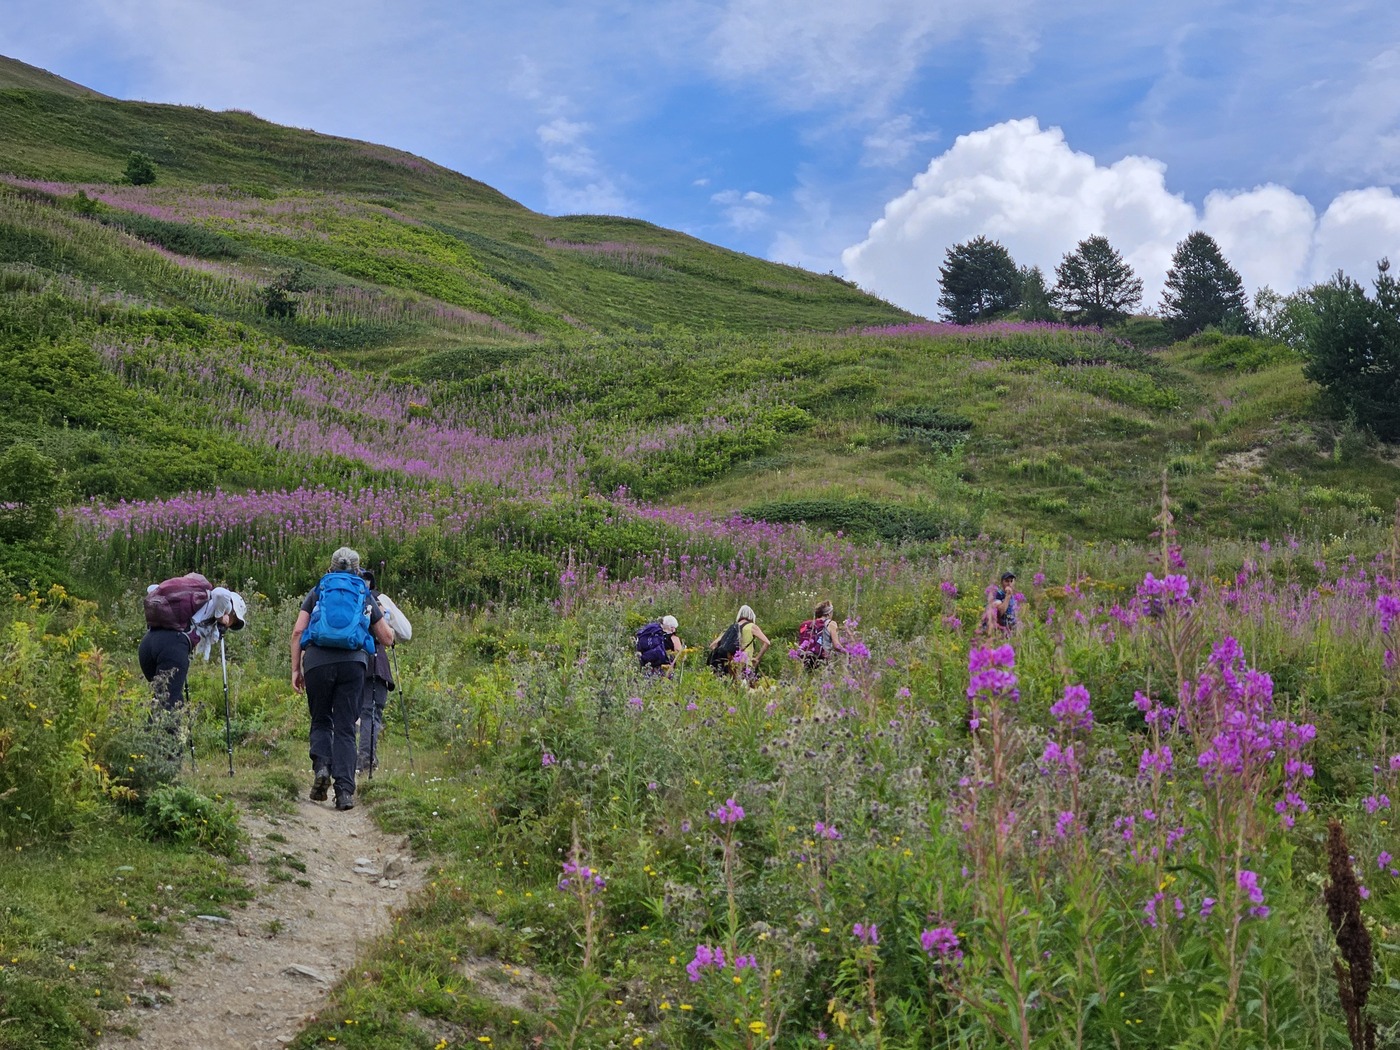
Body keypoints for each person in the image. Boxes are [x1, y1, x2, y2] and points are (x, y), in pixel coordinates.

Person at [291, 548, 393, 811]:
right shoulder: (363, 592)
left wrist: (295, 670)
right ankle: (345, 792)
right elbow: (386, 638)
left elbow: (298, 631)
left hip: (317, 661)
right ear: (357, 569)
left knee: (321, 718)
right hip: (353, 663)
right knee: (346, 726)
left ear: (331, 566)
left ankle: (322, 767)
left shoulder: (319, 590)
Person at [139, 573, 247, 713]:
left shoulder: (199, 606)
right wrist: (221, 616)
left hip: (148, 644)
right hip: (173, 646)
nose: (230, 625)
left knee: (171, 700)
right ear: (232, 611)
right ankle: (159, 734)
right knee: (167, 706)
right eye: (235, 621)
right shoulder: (220, 604)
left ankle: (174, 733)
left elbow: (152, 589)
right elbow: (220, 593)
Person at [357, 569, 412, 775]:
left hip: (340, 659)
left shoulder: (330, 592)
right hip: (374, 661)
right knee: (370, 712)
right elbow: (406, 632)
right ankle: (366, 763)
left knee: (342, 713)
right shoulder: (379, 599)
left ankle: (334, 766)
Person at [710, 605, 770, 682]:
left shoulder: (732, 628)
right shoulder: (752, 626)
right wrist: (757, 659)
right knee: (746, 688)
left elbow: (713, 645)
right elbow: (767, 642)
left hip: (730, 665)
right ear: (751, 616)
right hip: (744, 664)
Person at [798, 600, 846, 667]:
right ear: (829, 613)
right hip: (822, 659)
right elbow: (836, 646)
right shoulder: (831, 623)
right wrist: (848, 652)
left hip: (805, 658)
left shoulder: (808, 624)